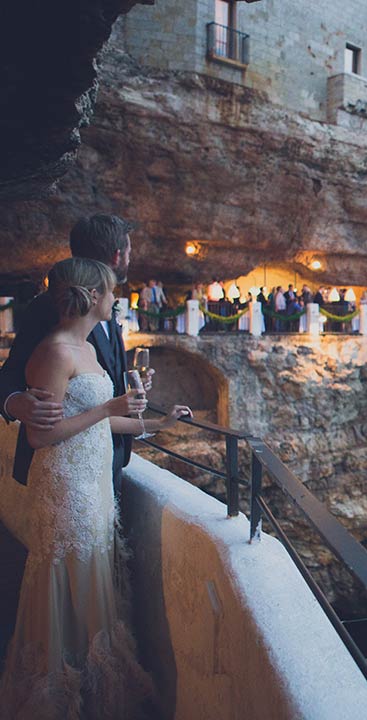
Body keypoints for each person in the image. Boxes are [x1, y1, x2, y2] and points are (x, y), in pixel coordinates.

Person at [0, 258, 189, 717]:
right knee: (71, 579)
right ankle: (61, 694)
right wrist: (108, 409)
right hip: (67, 490)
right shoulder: (55, 352)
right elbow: (41, 435)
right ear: (91, 297)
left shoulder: (85, 348)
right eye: (110, 291)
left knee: (94, 580)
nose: (116, 299)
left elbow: (100, 422)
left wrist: (155, 422)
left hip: (94, 484)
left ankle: (92, 687)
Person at [0, 214, 146, 494]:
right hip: (66, 467)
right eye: (129, 250)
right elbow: (10, 373)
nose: (131, 256)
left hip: (107, 455)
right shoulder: (47, 306)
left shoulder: (107, 304)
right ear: (117, 256)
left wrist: (128, 384)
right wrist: (16, 403)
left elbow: (94, 375)